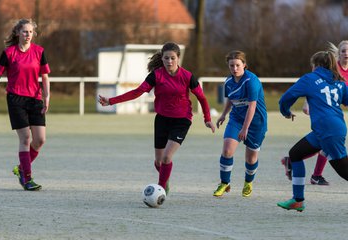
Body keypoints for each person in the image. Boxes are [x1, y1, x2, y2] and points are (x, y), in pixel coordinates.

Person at [98, 42, 215, 194]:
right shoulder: (156, 75)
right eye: (166, 58)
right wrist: (111, 101)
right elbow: (137, 92)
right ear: (162, 58)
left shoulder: (187, 76)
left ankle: (160, 189)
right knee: (159, 162)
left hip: (182, 120)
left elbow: (202, 98)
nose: (169, 61)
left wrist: (207, 119)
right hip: (162, 120)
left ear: (178, 58)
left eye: (172, 58)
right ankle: (164, 179)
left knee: (167, 157)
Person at [277, 51, 348, 212]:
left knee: (344, 171)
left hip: (327, 131)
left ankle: (298, 199)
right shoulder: (339, 81)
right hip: (328, 129)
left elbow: (285, 98)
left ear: (315, 65)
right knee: (295, 154)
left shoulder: (309, 79)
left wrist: (286, 111)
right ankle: (298, 200)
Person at [0, 18, 50, 191]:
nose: (28, 35)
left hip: (35, 99)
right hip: (16, 99)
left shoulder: (39, 51)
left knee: (40, 140)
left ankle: (21, 168)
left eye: (30, 32)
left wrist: (47, 96)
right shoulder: (8, 53)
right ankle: (27, 179)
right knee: (25, 139)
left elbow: (44, 76)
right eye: (24, 31)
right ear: (17, 33)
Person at [213, 50, 267, 198]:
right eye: (231, 66)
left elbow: (252, 106)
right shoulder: (228, 81)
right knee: (227, 151)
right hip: (236, 119)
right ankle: (224, 183)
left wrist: (245, 128)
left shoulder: (251, 81)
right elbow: (230, 99)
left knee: (250, 159)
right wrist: (223, 115)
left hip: (256, 123)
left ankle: (248, 182)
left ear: (244, 65)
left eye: (237, 65)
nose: (234, 68)